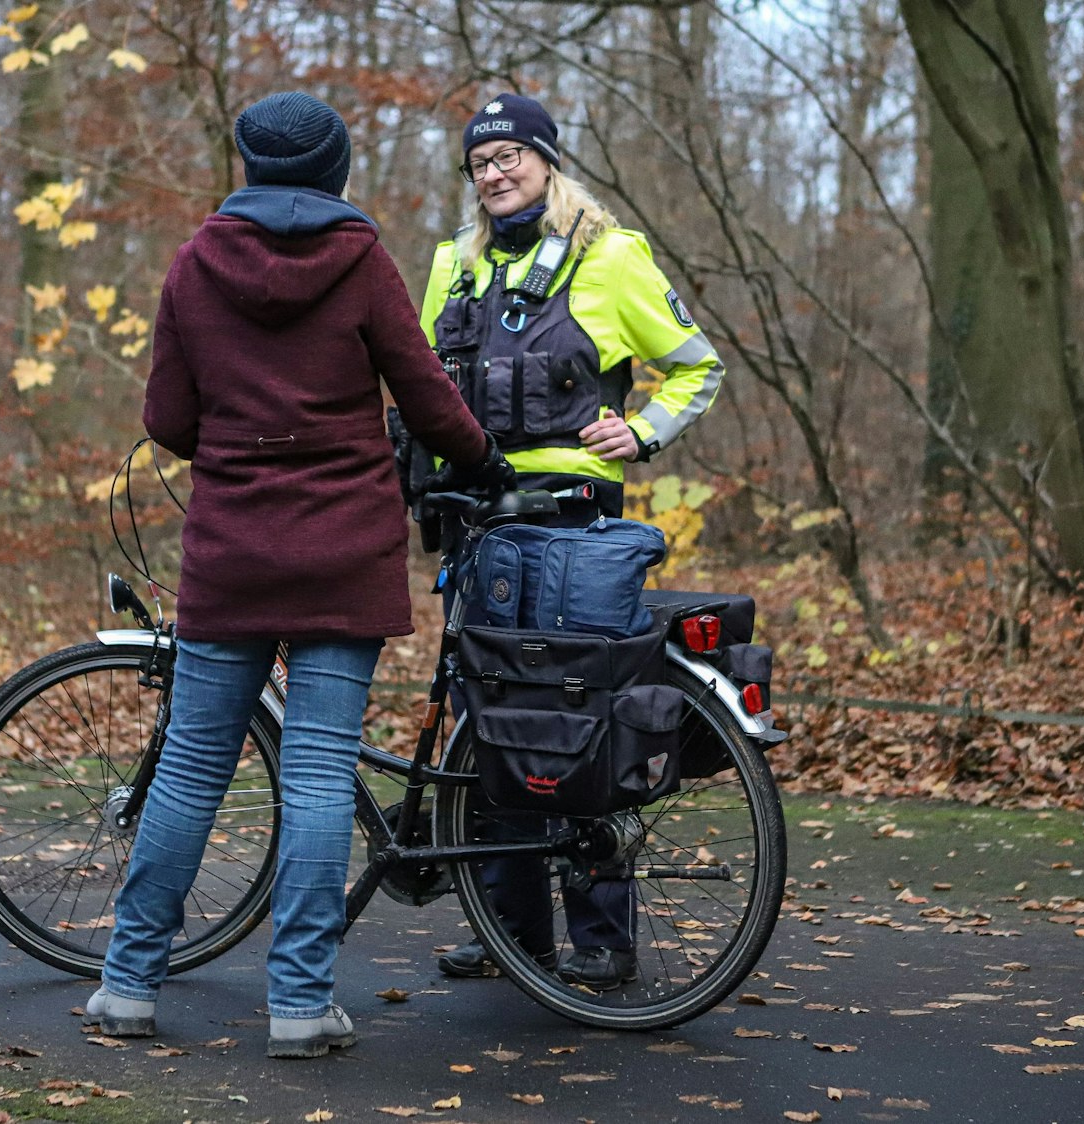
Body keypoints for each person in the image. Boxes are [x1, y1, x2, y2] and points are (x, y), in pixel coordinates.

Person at [87, 91, 510, 1060]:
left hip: (231, 549)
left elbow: (166, 419)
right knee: (319, 769)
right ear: (337, 168)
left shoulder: (197, 262)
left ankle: (123, 985)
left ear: (247, 166)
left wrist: (234, 443)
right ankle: (300, 1002)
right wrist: (480, 456)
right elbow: (424, 393)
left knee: (192, 767)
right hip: (341, 548)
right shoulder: (360, 260)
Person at [419, 93, 727, 989]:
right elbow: (426, 381)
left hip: (571, 521)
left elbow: (697, 364)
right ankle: (507, 925)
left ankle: (601, 934)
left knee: (573, 712)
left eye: (510, 154)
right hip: (480, 523)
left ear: (548, 162)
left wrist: (645, 432)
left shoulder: (611, 256)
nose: (494, 172)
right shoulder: (454, 266)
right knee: (487, 720)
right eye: (479, 163)